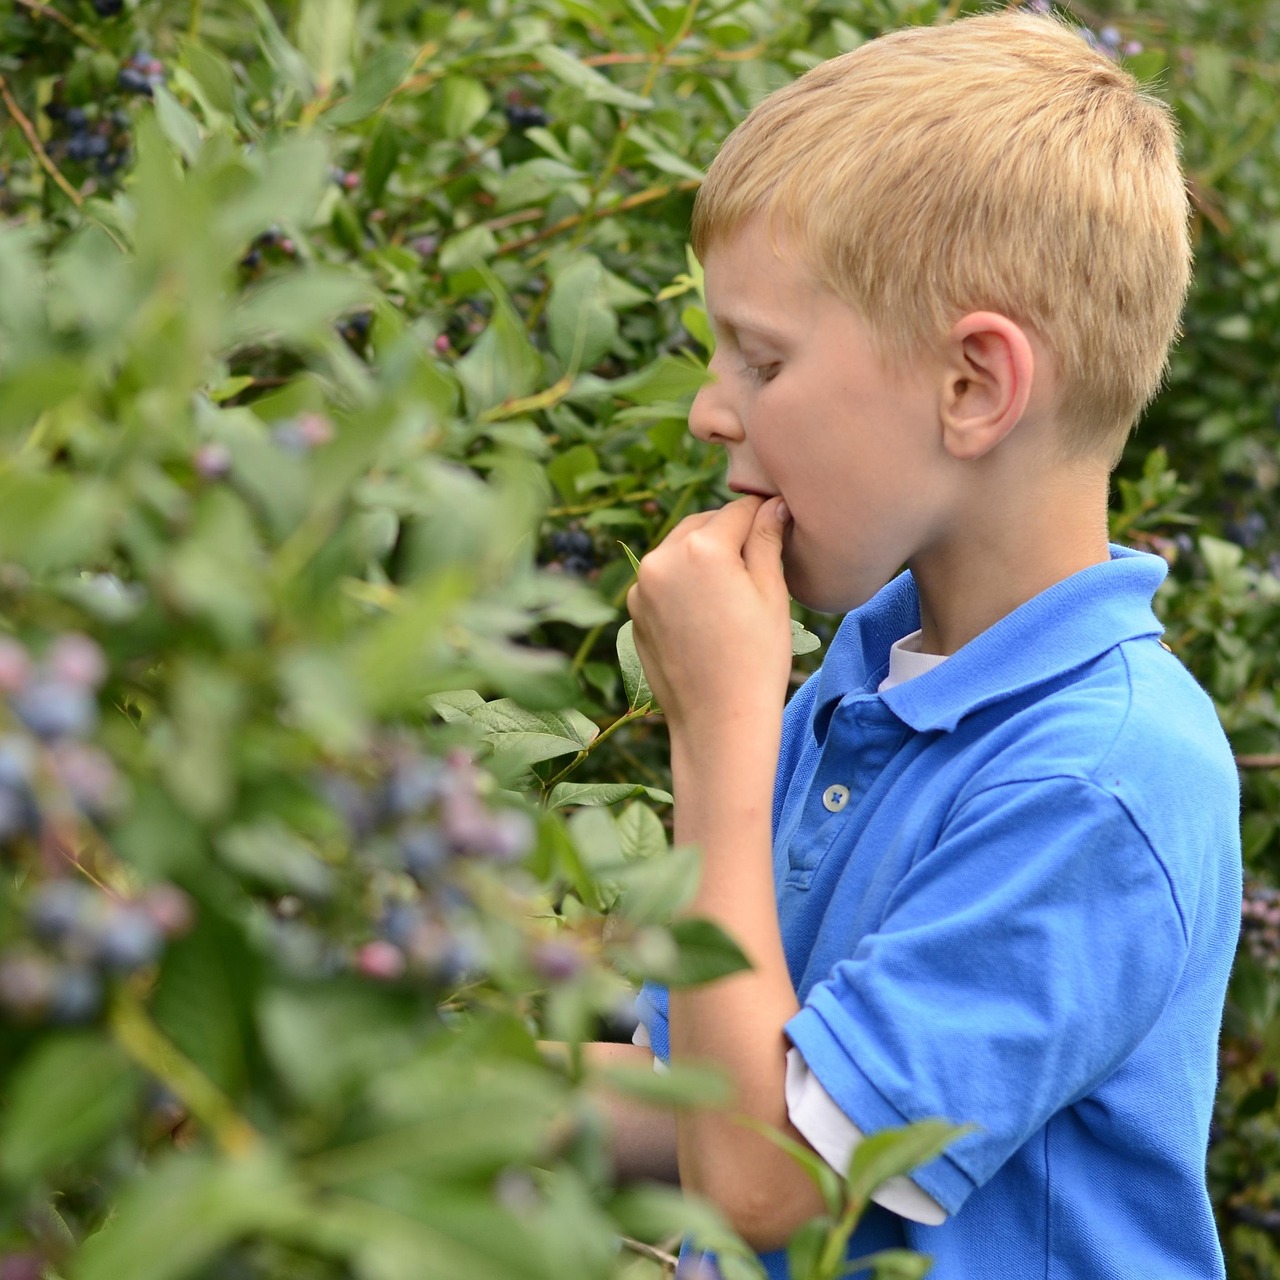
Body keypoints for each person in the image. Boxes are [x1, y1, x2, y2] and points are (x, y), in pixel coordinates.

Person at [583, 9, 1244, 1280]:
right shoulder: (866, 684)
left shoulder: (1099, 778)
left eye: (761, 358)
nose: (706, 408)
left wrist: (715, 732)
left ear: (971, 388)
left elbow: (764, 1174)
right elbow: (699, 1090)